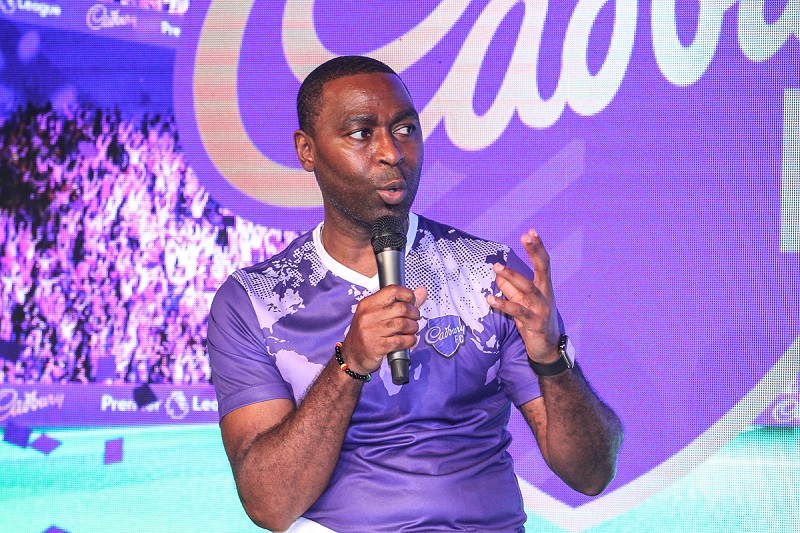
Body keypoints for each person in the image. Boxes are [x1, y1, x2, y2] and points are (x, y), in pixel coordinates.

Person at [207, 55, 623, 533]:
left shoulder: (486, 274)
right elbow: (269, 505)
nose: (392, 151)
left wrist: (553, 358)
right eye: (361, 133)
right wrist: (351, 363)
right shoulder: (255, 300)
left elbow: (591, 474)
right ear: (307, 150)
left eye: (404, 129)